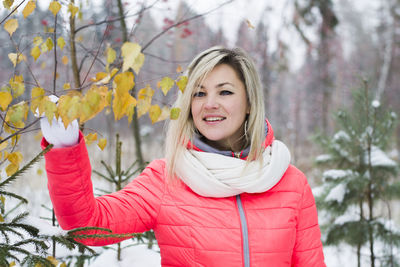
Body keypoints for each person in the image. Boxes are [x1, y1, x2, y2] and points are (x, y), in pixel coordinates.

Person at [41, 47, 326, 266]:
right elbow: (88, 225)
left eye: (225, 92)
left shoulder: (290, 183)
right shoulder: (168, 177)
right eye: (199, 94)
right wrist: (64, 148)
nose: (210, 104)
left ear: (249, 102)